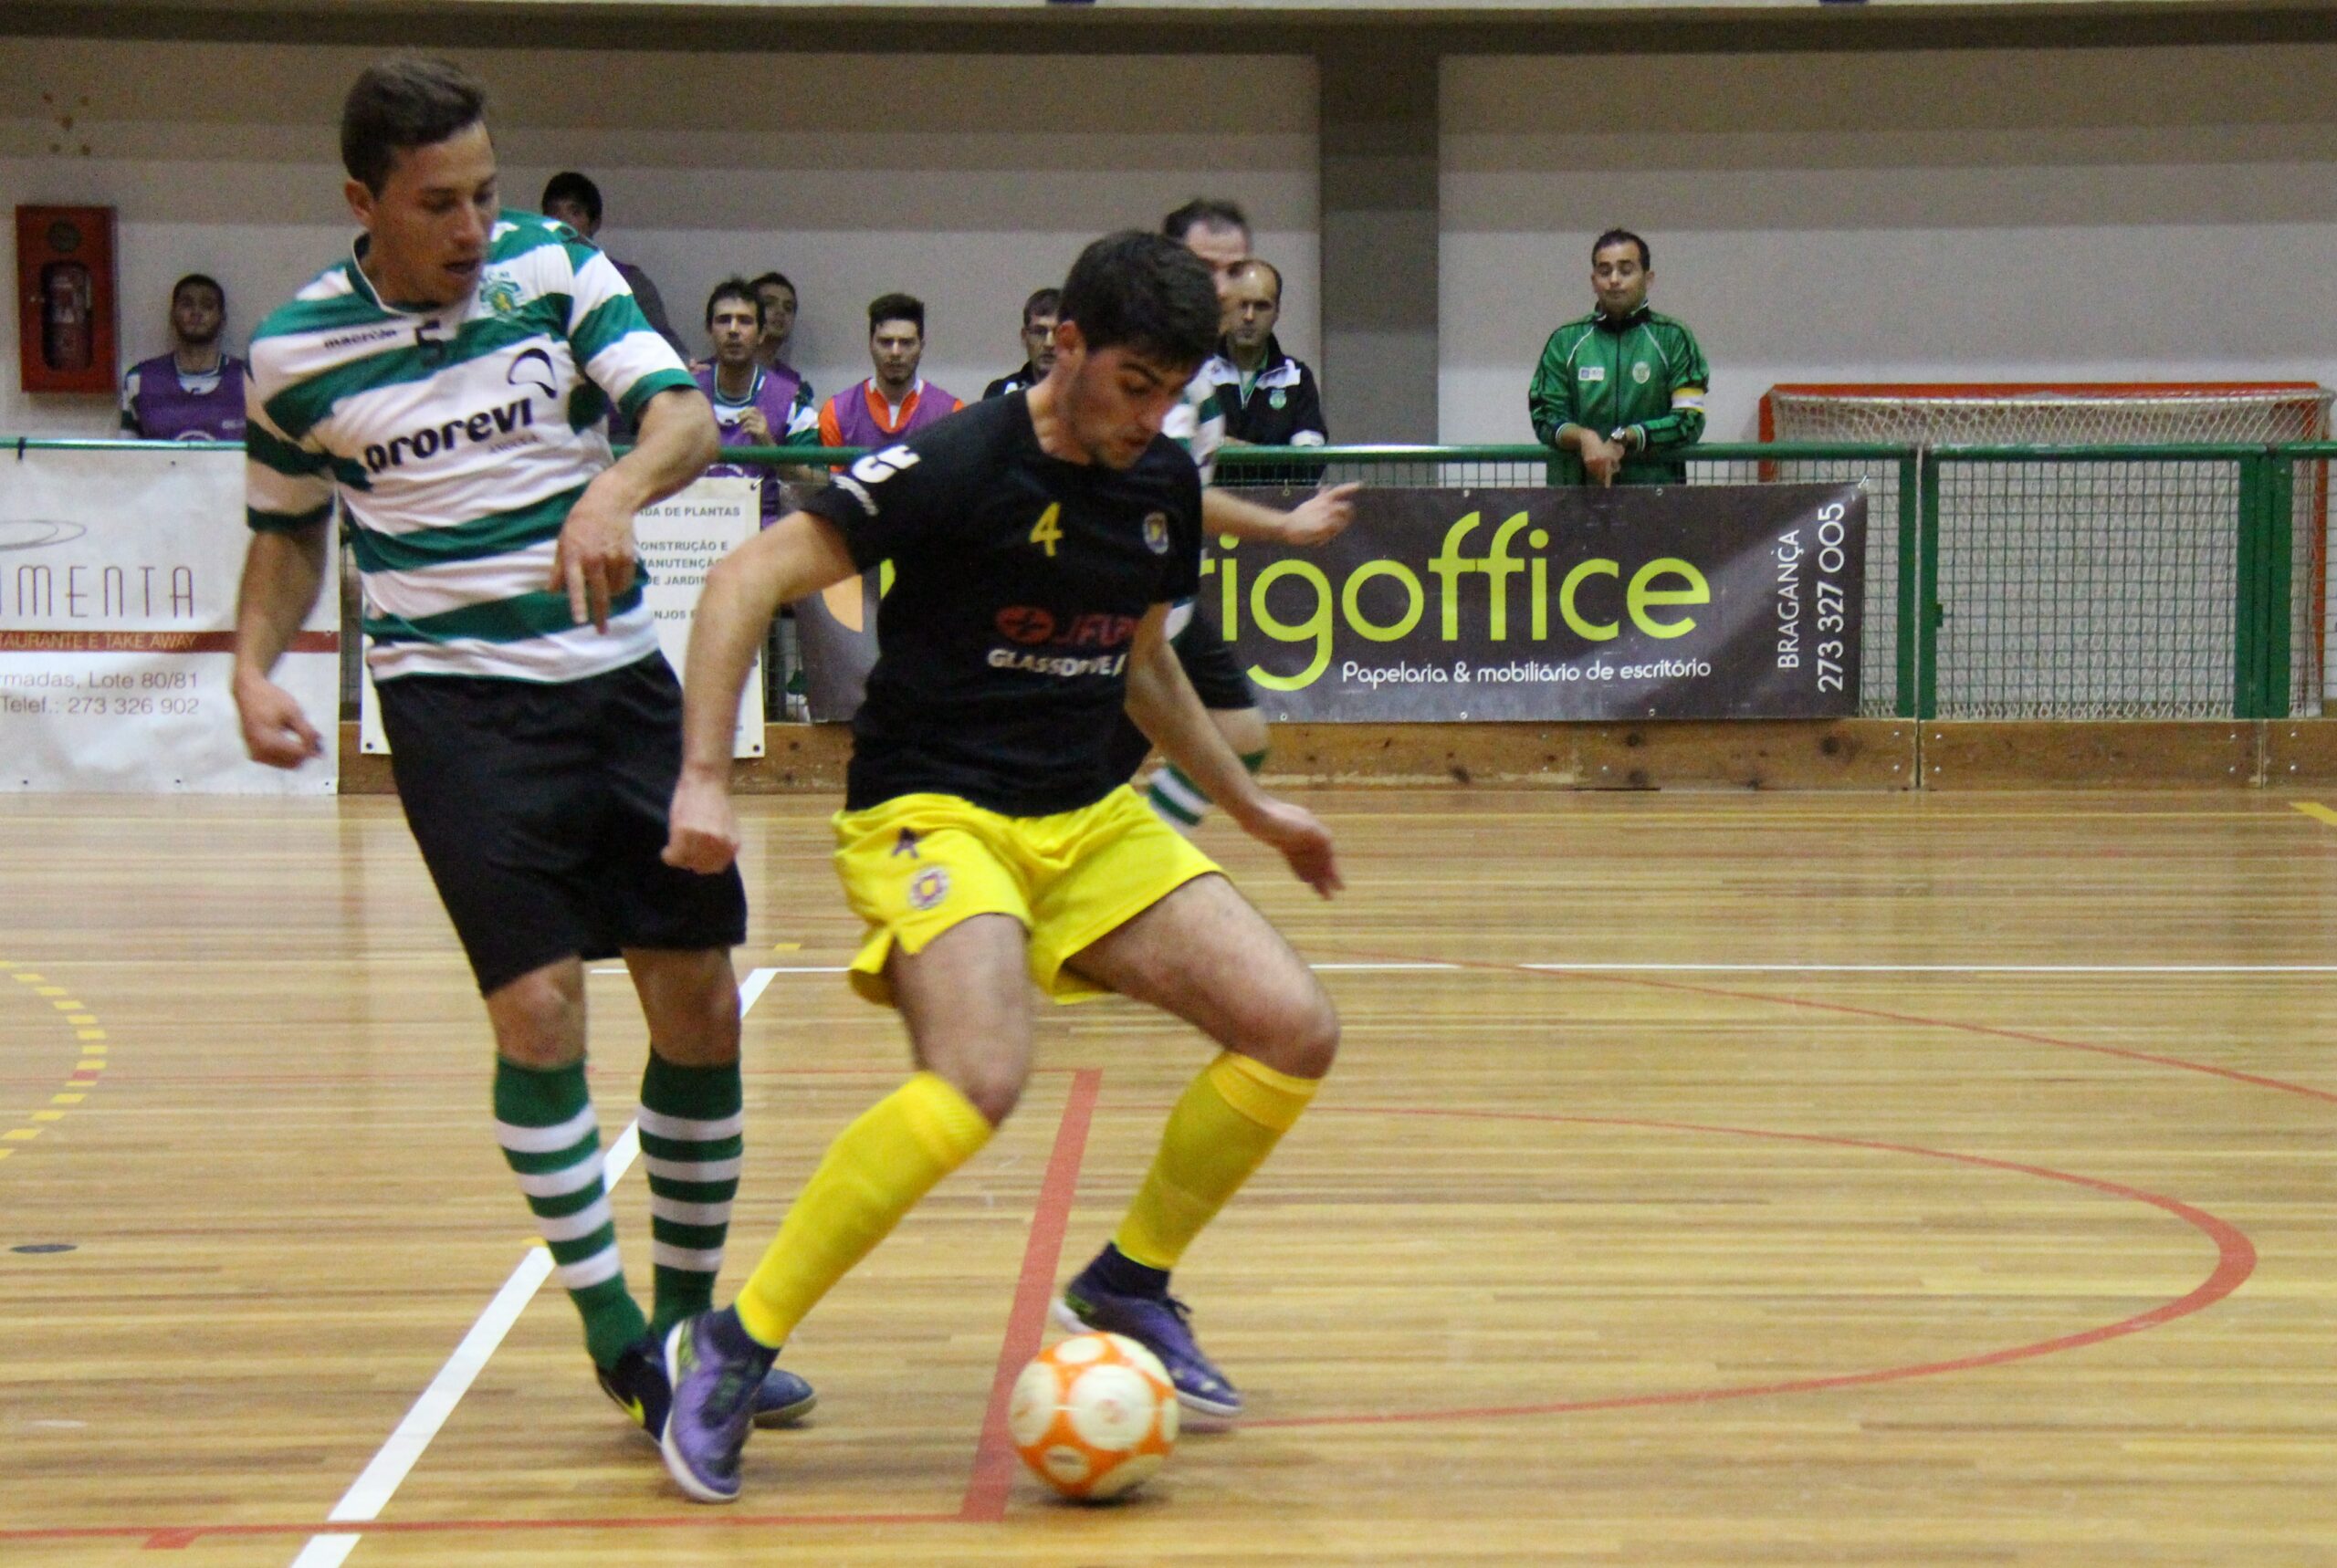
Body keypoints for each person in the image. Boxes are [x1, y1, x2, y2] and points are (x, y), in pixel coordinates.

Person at [654, 230, 1343, 1505]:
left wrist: (1253, 808)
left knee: (1293, 1027)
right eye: (1133, 383)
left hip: (1084, 816)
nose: (1152, 417)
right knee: (978, 1075)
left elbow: (1143, 663)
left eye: (1171, 392)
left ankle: (1129, 1280)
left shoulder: (1159, 480)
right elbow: (748, 574)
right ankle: (733, 1345)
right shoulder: (958, 461)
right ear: (1065, 345)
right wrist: (704, 772)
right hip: (933, 810)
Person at [229, 54, 814, 1452]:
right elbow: (289, 532)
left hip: (615, 684)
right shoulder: (295, 355)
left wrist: (613, 488)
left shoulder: (552, 267)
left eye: (485, 193)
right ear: (362, 201)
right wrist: (253, 665)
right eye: (440, 202)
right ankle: (620, 1339)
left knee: (700, 1005)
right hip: (456, 712)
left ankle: (692, 1328)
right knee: (540, 1010)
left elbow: (684, 416)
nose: (473, 225)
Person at [1114, 199, 1356, 833]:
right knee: (1076, 783)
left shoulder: (1196, 371)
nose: (1223, 289)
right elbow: (1171, 495)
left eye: (1234, 269)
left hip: (1169, 603)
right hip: (1118, 602)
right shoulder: (1153, 369)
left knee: (1240, 737)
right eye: (1205, 269)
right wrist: (1284, 526)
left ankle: (1140, 861)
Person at [1527, 228, 1710, 486]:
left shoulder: (1674, 338)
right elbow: (1544, 416)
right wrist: (1585, 438)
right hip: (1576, 496)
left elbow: (1689, 419)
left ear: (1648, 278)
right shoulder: (1564, 341)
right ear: (1593, 281)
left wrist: (1627, 437)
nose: (1614, 280)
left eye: (1626, 270)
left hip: (1655, 497)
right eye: (1604, 272)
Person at [694, 277, 818, 524]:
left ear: (761, 333)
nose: (733, 330)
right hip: (691, 532)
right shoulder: (683, 394)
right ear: (709, 330)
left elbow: (818, 486)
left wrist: (772, 451)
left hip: (763, 537)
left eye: (745, 321)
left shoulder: (793, 400)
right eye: (723, 320)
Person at [1197, 257, 1326, 486]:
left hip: (1276, 506)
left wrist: (1229, 449)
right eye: (1242, 304)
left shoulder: (1297, 378)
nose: (1249, 316)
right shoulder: (1196, 370)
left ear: (1277, 312)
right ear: (1225, 307)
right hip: (1210, 506)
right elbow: (1184, 453)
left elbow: (1309, 465)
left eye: (1261, 306)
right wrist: (1272, 459)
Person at [541, 170, 685, 360]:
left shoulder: (628, 280)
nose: (562, 223)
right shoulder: (530, 277)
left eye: (574, 212)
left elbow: (666, 347)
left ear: (595, 223)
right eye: (554, 213)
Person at [814, 293, 962, 451]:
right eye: (886, 342)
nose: (895, 352)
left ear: (921, 347)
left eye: (906, 343)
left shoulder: (952, 414)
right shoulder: (837, 413)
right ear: (871, 345)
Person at [121, 273, 246, 442]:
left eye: (207, 306)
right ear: (173, 315)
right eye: (187, 304)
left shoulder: (248, 380)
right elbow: (126, 452)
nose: (196, 312)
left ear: (222, 319)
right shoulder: (139, 380)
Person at [980, 287, 1059, 399]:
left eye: (1058, 333)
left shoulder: (1084, 395)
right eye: (1039, 332)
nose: (1049, 343)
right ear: (1024, 336)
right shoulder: (1000, 393)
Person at [748, 270, 812, 406]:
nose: (780, 311)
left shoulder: (795, 387)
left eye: (788, 308)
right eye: (769, 303)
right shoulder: (709, 375)